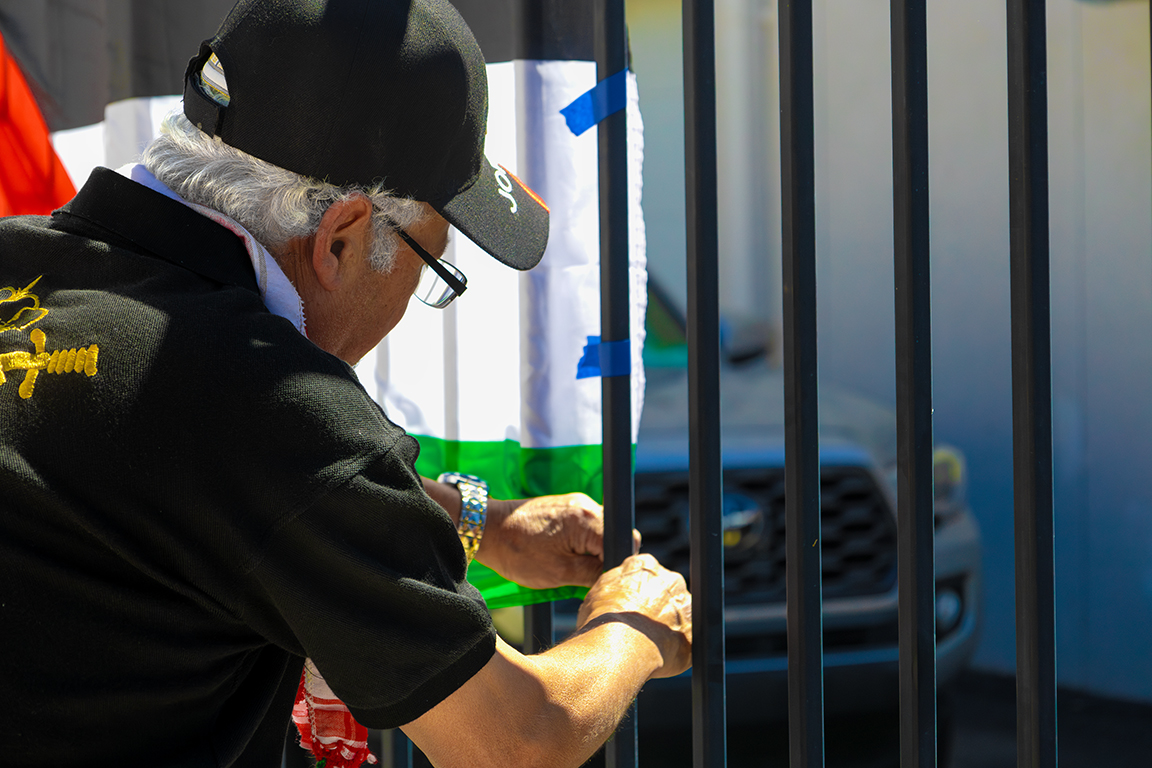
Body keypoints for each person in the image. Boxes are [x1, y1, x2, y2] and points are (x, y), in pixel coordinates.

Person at [0, 1, 691, 766]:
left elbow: (162, 479)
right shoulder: (270, 406)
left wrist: (478, 524)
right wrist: (634, 628)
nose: (410, 304)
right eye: (434, 270)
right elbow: (519, 738)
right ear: (340, 237)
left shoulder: (27, 267)